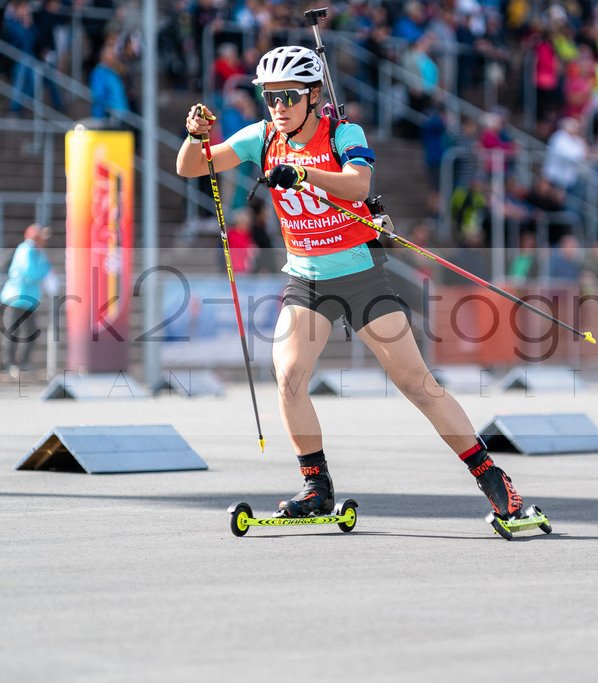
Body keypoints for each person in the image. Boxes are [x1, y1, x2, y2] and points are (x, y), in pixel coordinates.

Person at [176, 45, 526, 522]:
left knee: (417, 384)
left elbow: (357, 186)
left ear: (313, 96)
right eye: (270, 96)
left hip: (360, 276)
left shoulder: (344, 132)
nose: (278, 107)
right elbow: (192, 166)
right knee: (290, 375)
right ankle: (315, 486)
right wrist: (193, 135)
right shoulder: (261, 137)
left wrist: (302, 171)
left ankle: (489, 475)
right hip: (306, 280)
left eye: (289, 97)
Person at [0, 224, 52, 377]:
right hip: (15, 298)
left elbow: (45, 269)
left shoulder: (39, 252)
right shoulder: (26, 249)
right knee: (12, 333)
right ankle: (9, 365)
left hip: (29, 300)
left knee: (31, 332)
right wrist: (44, 273)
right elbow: (31, 272)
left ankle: (22, 363)